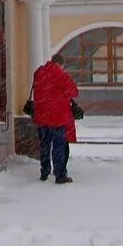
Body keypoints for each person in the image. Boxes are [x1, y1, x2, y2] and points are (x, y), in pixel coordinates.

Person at [31, 53, 79, 184]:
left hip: (42, 116)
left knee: (44, 145)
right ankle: (60, 175)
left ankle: (44, 171)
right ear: (61, 64)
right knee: (59, 147)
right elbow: (73, 91)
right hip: (57, 117)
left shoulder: (39, 72)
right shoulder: (59, 73)